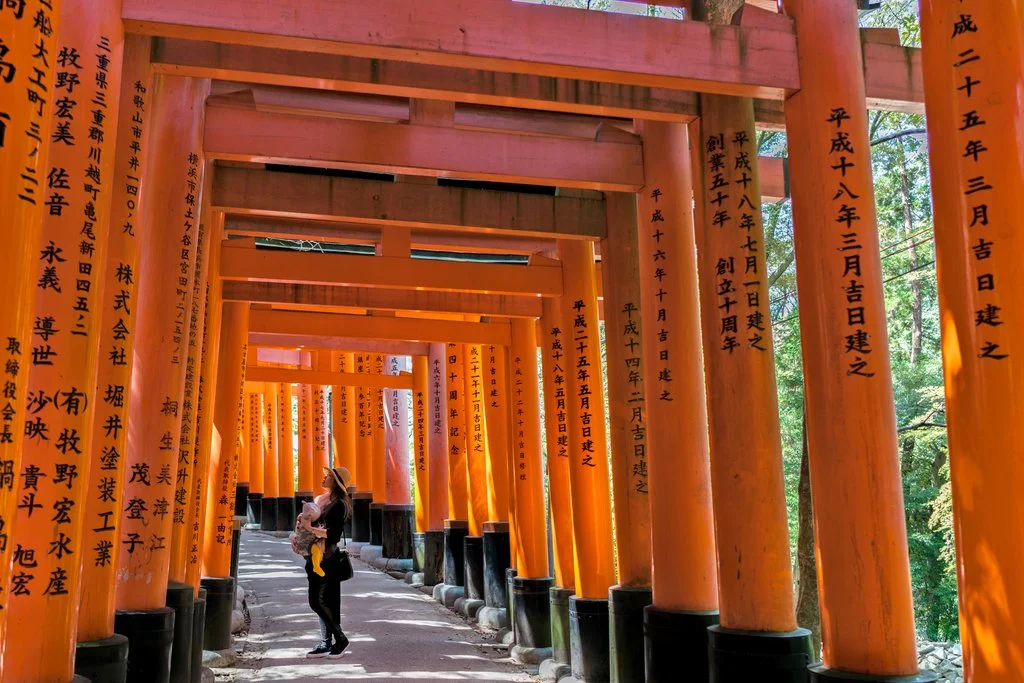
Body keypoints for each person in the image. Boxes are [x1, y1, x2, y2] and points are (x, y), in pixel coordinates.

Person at [305, 466, 353, 658]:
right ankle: (327, 642)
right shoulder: (324, 501)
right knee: (326, 602)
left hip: (327, 558)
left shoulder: (339, 504)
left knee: (317, 601)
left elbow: (332, 535)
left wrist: (310, 528)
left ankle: (340, 639)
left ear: (335, 481)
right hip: (317, 555)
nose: (324, 477)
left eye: (328, 476)